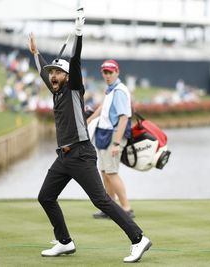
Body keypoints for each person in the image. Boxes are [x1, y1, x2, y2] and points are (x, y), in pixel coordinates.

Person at [28, 7, 152, 263]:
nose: (52, 75)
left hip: (82, 154)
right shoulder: (56, 91)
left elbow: (75, 61)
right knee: (46, 197)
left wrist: (79, 35)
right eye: (52, 73)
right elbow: (42, 70)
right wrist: (36, 53)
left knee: (101, 201)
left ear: (66, 76)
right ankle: (65, 242)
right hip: (64, 157)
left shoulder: (73, 88)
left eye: (57, 73)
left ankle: (139, 239)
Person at [86, 59, 135, 219]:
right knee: (105, 173)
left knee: (112, 173)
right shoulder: (111, 89)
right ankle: (110, 208)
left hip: (114, 135)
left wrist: (116, 143)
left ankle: (126, 209)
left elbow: (123, 118)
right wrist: (90, 119)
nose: (107, 75)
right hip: (104, 133)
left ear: (117, 72)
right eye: (105, 72)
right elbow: (102, 108)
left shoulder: (119, 91)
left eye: (110, 72)